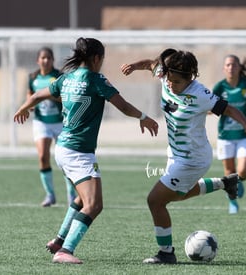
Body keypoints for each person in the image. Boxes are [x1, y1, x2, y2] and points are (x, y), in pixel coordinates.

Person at [14, 37, 159, 264]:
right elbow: (122, 105)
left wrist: (23, 107)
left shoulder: (65, 78)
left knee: (82, 200)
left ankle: (59, 240)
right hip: (79, 152)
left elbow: (36, 95)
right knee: (94, 205)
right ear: (96, 58)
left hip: (63, 148)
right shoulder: (96, 80)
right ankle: (65, 251)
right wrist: (144, 117)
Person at [121, 49, 246, 264]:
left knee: (155, 201)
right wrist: (134, 65)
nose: (170, 84)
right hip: (175, 154)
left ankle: (166, 253)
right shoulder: (165, 74)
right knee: (176, 196)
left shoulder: (201, 94)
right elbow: (151, 64)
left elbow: (230, 109)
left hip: (193, 159)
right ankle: (225, 183)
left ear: (190, 78)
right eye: (169, 80)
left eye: (177, 82)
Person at [212, 55, 246, 214]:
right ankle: (233, 202)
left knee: (243, 172)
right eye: (228, 65)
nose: (231, 67)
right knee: (229, 172)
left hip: (245, 135)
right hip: (225, 136)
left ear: (239, 67)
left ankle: (239, 181)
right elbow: (210, 105)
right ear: (224, 68)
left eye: (234, 65)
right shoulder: (219, 87)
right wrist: (209, 110)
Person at [27, 47, 76, 207]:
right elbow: (30, 94)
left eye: (49, 58)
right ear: (38, 60)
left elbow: (66, 97)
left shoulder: (58, 76)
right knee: (43, 156)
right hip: (41, 122)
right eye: (43, 58)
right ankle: (50, 195)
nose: (46, 60)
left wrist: (52, 96)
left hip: (61, 123)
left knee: (65, 160)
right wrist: (30, 105)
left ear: (53, 60)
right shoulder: (33, 78)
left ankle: (71, 195)